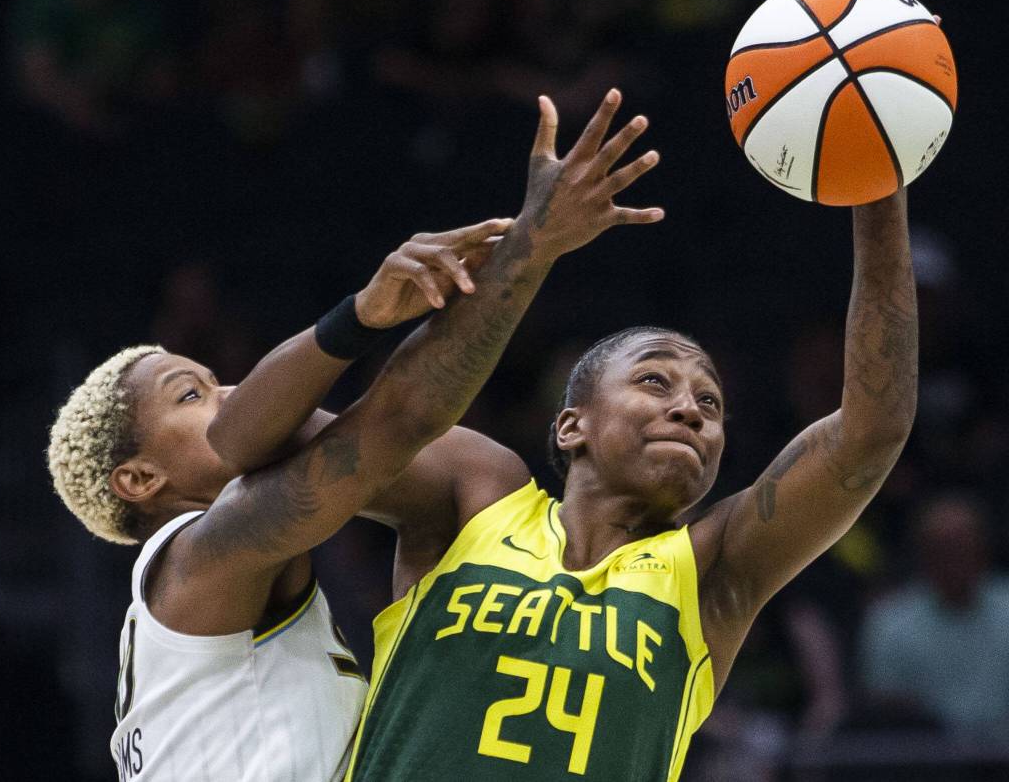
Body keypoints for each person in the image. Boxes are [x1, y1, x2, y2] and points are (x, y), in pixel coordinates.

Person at [211, 92, 919, 781]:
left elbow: (871, 431)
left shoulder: (710, 568)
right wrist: (374, 310)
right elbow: (244, 431)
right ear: (571, 423)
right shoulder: (478, 492)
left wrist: (876, 186)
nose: (691, 410)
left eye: (710, 402)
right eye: (654, 381)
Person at [46, 90, 661, 781]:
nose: (229, 394)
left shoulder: (206, 611)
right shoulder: (195, 562)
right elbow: (390, 424)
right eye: (191, 394)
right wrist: (517, 250)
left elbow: (470, 470)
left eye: (220, 380)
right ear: (139, 479)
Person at [858, 492, 1009, 737]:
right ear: (924, 554)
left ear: (983, 550)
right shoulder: (890, 622)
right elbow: (886, 705)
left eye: (962, 547)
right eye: (943, 550)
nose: (954, 561)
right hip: (926, 761)